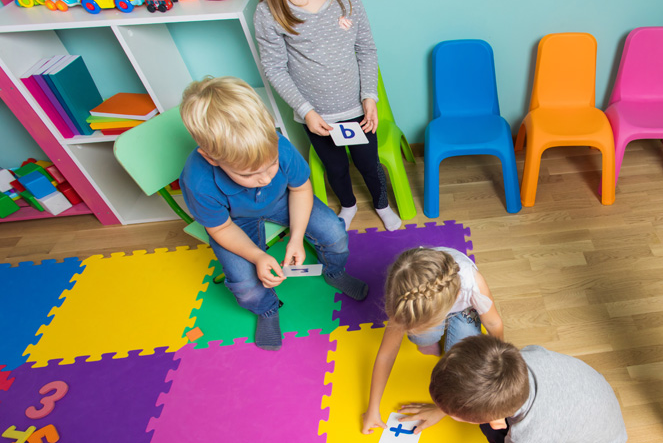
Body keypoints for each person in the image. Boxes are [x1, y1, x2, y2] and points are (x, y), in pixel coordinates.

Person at [178, 76, 369, 352]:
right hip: (234, 222)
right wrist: (257, 256)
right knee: (244, 283)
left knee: (334, 233)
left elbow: (301, 189)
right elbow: (220, 229)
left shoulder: (278, 144)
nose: (265, 178)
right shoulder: (198, 181)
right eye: (249, 174)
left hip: (285, 199)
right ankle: (266, 309)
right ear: (210, 157)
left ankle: (335, 271)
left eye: (270, 166)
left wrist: (296, 237)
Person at [251, 0, 402, 232]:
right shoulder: (268, 13)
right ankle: (348, 205)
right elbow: (275, 69)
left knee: (369, 164)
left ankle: (382, 204)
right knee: (335, 168)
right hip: (317, 117)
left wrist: (370, 96)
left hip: (356, 110)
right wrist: (306, 111)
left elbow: (367, 50)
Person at [360, 247, 504, 434]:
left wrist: (499, 366)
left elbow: (494, 324)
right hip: (434, 303)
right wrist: (372, 408)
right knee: (424, 338)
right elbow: (386, 355)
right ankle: (428, 343)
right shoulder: (405, 298)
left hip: (463, 309)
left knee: (462, 361)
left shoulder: (472, 283)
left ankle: (436, 336)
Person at [398, 335, 627, 443]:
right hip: (590, 397)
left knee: (494, 436)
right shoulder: (514, 359)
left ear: (498, 420)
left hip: (599, 436)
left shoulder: (531, 435)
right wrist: (443, 407)